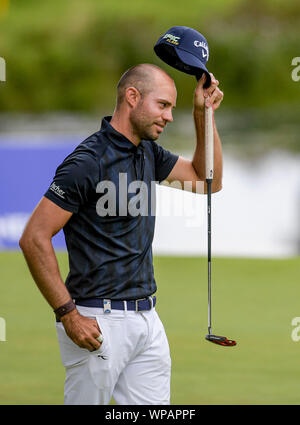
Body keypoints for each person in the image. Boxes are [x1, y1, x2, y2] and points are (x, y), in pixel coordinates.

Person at [19, 63, 224, 405]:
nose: (170, 116)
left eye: (172, 108)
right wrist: (69, 315)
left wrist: (203, 114)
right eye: (163, 105)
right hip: (96, 321)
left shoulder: (147, 151)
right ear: (132, 97)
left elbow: (208, 180)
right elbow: (34, 237)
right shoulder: (87, 161)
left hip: (148, 321)